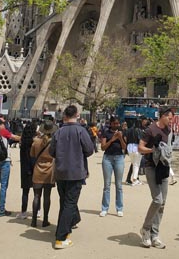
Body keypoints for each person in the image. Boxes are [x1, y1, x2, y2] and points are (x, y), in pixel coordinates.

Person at [49, 104, 94, 250]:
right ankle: (61, 236)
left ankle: (67, 227)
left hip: (61, 171)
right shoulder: (81, 131)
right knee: (70, 202)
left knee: (65, 201)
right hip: (76, 171)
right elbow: (89, 150)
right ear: (77, 115)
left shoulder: (58, 132)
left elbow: (52, 151)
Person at [138, 106, 174, 249]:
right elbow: (140, 148)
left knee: (162, 203)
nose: (171, 120)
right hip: (151, 167)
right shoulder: (150, 130)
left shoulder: (168, 130)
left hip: (163, 167)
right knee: (157, 199)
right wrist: (153, 150)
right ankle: (145, 230)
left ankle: (155, 235)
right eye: (170, 118)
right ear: (163, 116)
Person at [0, 118, 21, 217]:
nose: (5, 125)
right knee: (4, 186)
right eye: (3, 123)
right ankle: (1, 209)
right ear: (0, 125)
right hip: (5, 161)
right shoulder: (3, 132)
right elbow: (15, 137)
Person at [30, 119, 56, 227]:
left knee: (36, 196)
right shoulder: (54, 142)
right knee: (47, 196)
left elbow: (32, 155)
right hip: (49, 169)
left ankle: (34, 220)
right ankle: (45, 219)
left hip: (38, 168)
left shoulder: (36, 141)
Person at [99, 115, 126, 217]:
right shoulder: (106, 133)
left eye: (118, 123)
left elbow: (124, 147)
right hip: (107, 159)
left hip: (119, 158)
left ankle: (119, 208)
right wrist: (112, 139)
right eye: (114, 123)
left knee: (119, 185)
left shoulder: (122, 133)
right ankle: (104, 208)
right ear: (110, 124)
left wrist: (120, 138)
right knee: (107, 185)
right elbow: (103, 147)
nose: (116, 125)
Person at [17, 122, 37, 219]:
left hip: (25, 168)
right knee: (37, 192)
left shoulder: (23, 143)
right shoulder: (35, 143)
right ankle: (37, 210)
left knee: (25, 191)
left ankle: (23, 211)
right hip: (35, 168)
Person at [125, 120, 143, 186]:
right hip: (136, 147)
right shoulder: (139, 131)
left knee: (133, 163)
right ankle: (135, 179)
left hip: (129, 147)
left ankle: (135, 179)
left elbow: (125, 138)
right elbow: (140, 140)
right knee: (136, 164)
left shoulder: (128, 130)